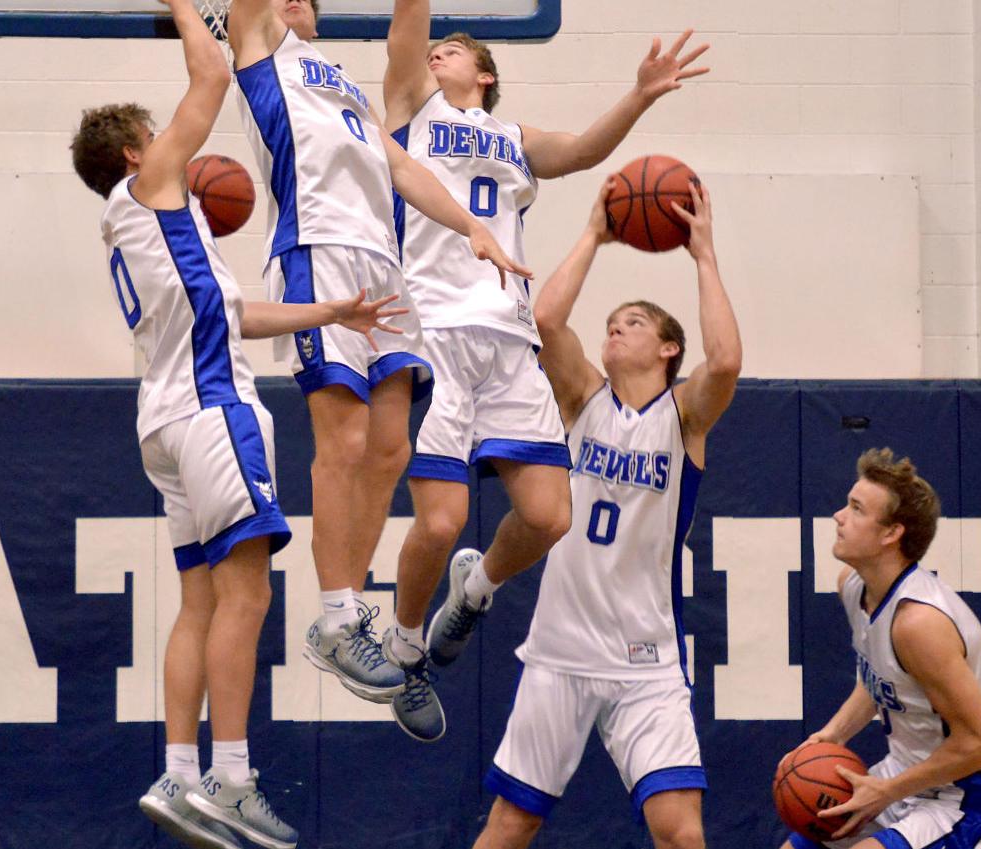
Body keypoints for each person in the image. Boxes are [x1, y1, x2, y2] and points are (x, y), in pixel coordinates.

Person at [70, 3, 406, 846]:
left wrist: (329, 311)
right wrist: (189, 9)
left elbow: (235, 315)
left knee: (199, 601)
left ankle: (180, 774)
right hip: (215, 409)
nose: (173, 140)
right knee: (248, 594)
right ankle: (232, 777)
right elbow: (214, 73)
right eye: (157, 134)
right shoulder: (151, 185)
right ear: (135, 153)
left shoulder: (145, 227)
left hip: (164, 421)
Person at [379, 0, 712, 742]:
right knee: (442, 519)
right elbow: (407, 27)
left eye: (453, 50)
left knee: (549, 517)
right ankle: (404, 651)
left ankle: (476, 588)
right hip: (435, 329)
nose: (436, 54)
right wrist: (418, 34)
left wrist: (640, 94)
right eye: (434, 49)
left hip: (509, 336)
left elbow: (586, 151)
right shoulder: (413, 107)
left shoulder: (513, 138)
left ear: (486, 74)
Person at [225, 0, 532, 707]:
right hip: (318, 248)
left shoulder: (342, 84)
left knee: (390, 448)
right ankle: (336, 616)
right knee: (345, 438)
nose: (294, 2)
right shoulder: (263, 51)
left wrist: (471, 227)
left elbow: (400, 166)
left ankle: (349, 611)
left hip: (382, 265)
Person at [471, 178, 740, 849]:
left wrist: (704, 255)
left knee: (681, 834)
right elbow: (544, 322)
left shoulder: (684, 416)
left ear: (669, 349)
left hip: (646, 659)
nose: (616, 328)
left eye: (636, 322)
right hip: (560, 651)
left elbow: (727, 360)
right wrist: (593, 233)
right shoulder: (583, 399)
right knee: (510, 825)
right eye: (613, 322)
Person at [778, 449, 981, 849]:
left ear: (891, 533)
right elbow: (878, 679)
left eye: (856, 509)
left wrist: (887, 791)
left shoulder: (919, 625)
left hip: (970, 795)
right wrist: (832, 736)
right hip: (904, 778)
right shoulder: (853, 585)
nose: (838, 516)